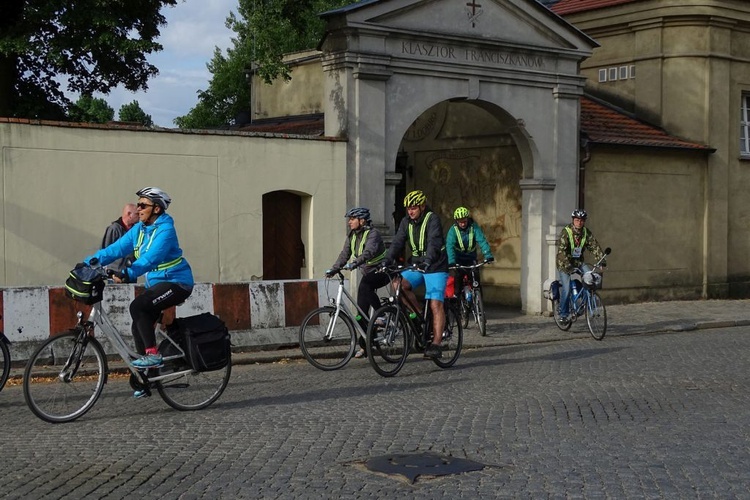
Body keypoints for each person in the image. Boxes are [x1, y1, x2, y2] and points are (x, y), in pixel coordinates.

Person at [83, 187, 194, 398]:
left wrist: (128, 273)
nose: (139, 209)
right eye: (139, 205)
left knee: (138, 306)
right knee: (138, 325)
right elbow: (115, 249)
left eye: (143, 205)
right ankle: (148, 377)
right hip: (157, 285)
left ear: (157, 209)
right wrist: (89, 262)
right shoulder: (139, 229)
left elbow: (151, 258)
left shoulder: (166, 230)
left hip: (178, 282)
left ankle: (152, 356)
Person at [384, 190, 449, 359]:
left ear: (422, 206)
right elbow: (398, 241)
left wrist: (428, 260)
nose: (410, 211)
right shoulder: (406, 222)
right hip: (417, 264)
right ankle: (421, 316)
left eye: (413, 208)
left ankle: (436, 344)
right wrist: (387, 260)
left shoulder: (432, 219)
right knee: (399, 284)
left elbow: (434, 242)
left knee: (436, 304)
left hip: (435, 265)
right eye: (408, 208)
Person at [325, 207, 389, 358]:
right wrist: (334, 269)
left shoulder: (373, 233)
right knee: (360, 314)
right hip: (368, 274)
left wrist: (354, 264)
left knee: (366, 285)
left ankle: (382, 315)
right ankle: (366, 346)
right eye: (349, 219)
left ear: (362, 220)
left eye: (352, 219)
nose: (349, 222)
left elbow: (369, 252)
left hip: (383, 270)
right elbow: (344, 254)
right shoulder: (352, 235)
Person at [555, 208, 606, 323]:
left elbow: (594, 246)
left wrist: (601, 260)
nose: (579, 222)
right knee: (567, 289)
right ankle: (563, 314)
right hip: (564, 264)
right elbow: (561, 252)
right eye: (577, 220)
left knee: (590, 279)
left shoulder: (586, 233)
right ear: (573, 220)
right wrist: (568, 266)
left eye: (582, 220)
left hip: (578, 262)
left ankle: (585, 305)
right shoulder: (566, 232)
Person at [446, 206, 495, 294]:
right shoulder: (453, 230)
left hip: (471, 258)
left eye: (464, 221)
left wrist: (488, 255)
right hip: (458, 260)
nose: (463, 224)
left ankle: (479, 303)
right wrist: (451, 261)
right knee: (458, 284)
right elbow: (450, 246)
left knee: (476, 283)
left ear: (468, 219)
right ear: (457, 221)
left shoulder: (474, 227)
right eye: (460, 222)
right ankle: (457, 301)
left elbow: (482, 241)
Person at [101, 203, 138, 272]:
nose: (139, 216)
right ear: (129, 214)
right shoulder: (114, 229)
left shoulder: (136, 230)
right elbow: (105, 249)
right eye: (137, 214)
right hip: (114, 271)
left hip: (130, 272)